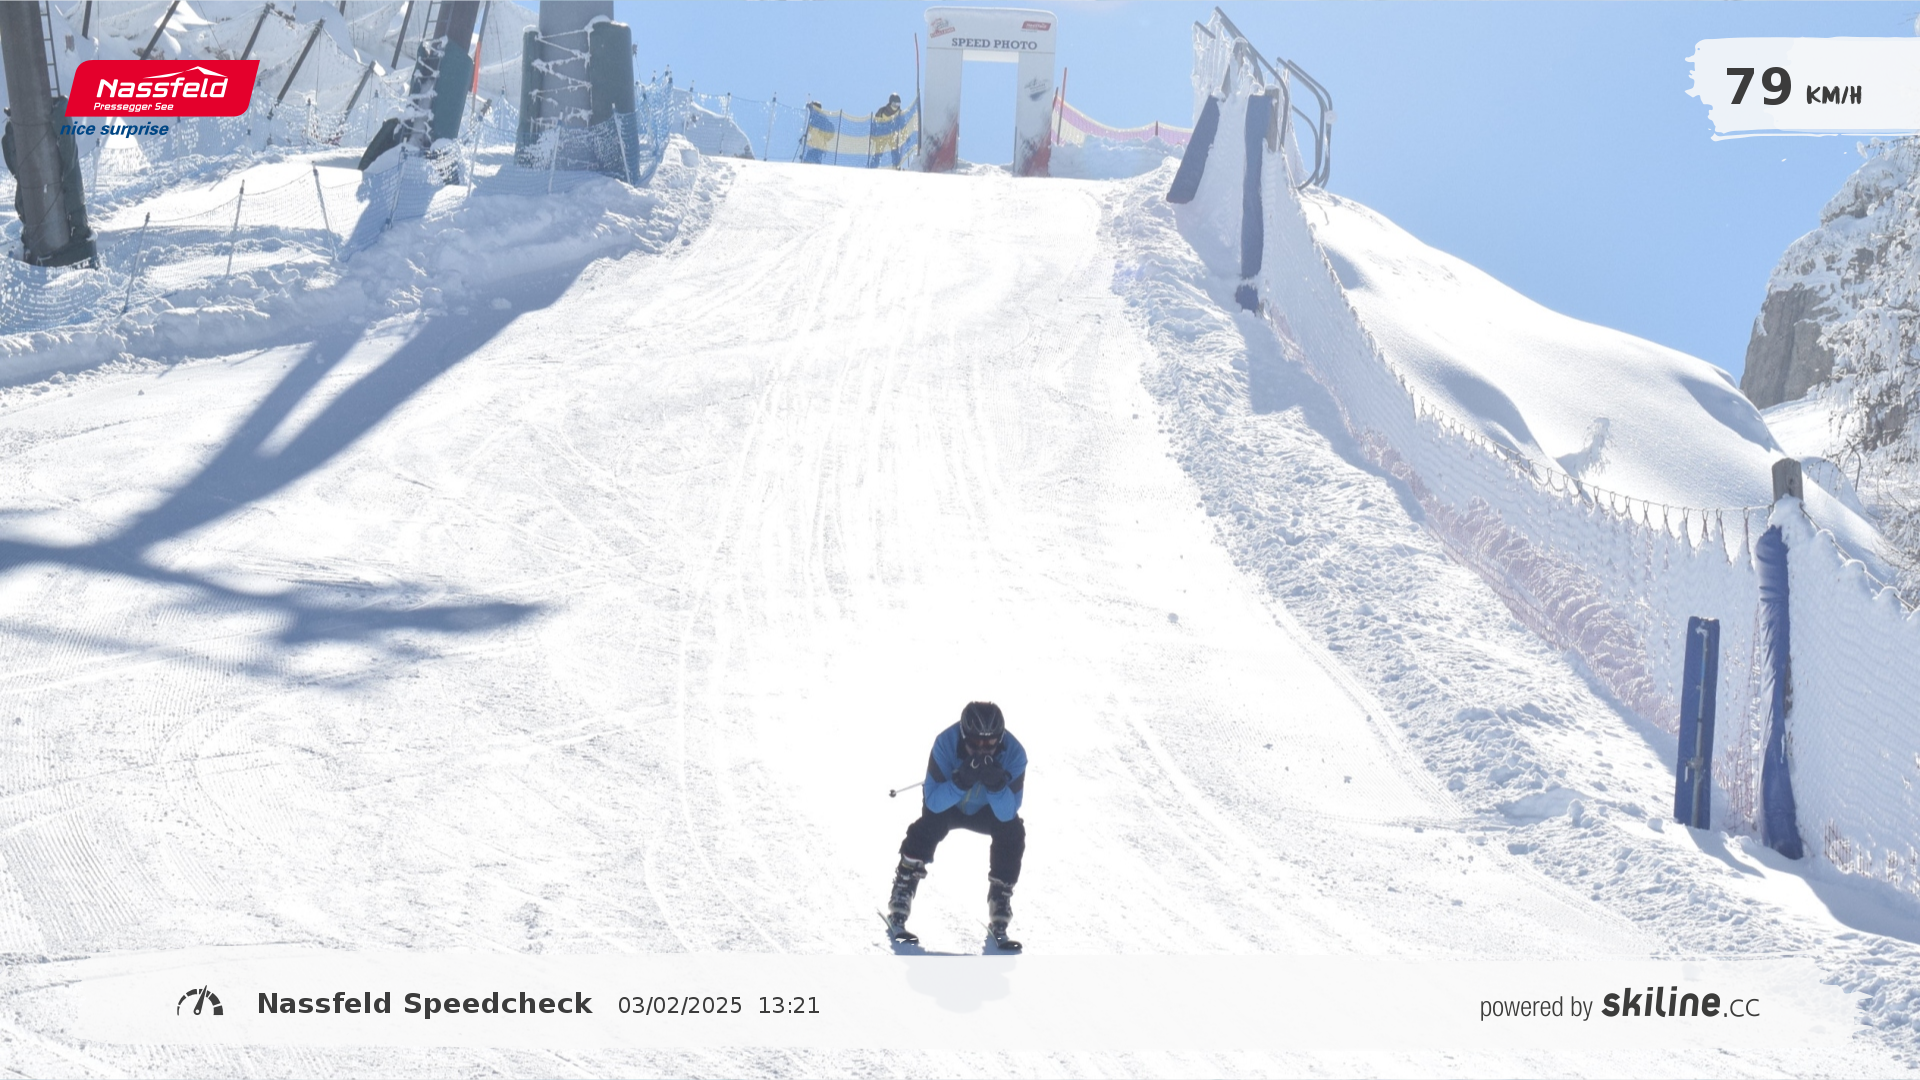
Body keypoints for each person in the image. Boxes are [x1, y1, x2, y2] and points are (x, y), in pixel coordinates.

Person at [885, 701, 1027, 950]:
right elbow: (933, 801)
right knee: (930, 825)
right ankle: (904, 885)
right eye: (975, 743)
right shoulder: (945, 743)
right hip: (949, 806)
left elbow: (1007, 813)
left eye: (990, 744)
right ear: (963, 736)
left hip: (988, 810)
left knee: (1012, 832)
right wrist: (960, 782)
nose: (982, 750)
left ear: (1000, 739)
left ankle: (1000, 898)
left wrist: (996, 786)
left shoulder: (1015, 753)